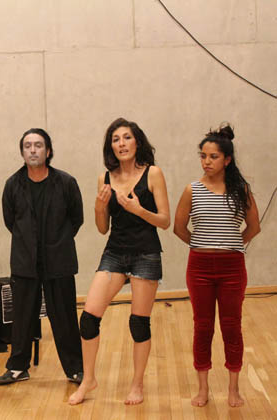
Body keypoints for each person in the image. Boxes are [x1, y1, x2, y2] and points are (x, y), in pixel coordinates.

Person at [69, 118, 170, 405]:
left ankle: (137, 384)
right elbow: (103, 228)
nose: (122, 143)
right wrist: (99, 207)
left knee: (138, 323)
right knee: (88, 318)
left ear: (137, 141)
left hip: (145, 253)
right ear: (110, 146)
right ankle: (88, 379)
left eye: (127, 137)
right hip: (114, 252)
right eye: (116, 139)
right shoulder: (105, 177)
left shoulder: (153, 173)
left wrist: (139, 210)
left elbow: (165, 221)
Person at [173, 124, 260, 408]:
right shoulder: (192, 189)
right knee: (203, 326)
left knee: (232, 326)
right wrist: (202, 244)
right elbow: (179, 228)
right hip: (199, 267)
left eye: (213, 157)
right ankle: (203, 389)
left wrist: (231, 244)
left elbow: (254, 227)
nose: (206, 162)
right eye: (203, 156)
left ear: (227, 160)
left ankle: (234, 389)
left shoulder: (241, 191)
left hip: (232, 267)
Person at [0, 128, 84, 387]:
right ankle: (17, 368)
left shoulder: (66, 182)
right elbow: (10, 221)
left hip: (59, 260)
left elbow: (76, 219)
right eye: (27, 146)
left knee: (65, 317)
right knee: (22, 317)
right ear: (22, 152)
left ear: (48, 150)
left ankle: (75, 368)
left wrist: (57, 241)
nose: (33, 150)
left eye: (38, 145)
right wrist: (29, 242)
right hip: (25, 261)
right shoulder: (12, 184)